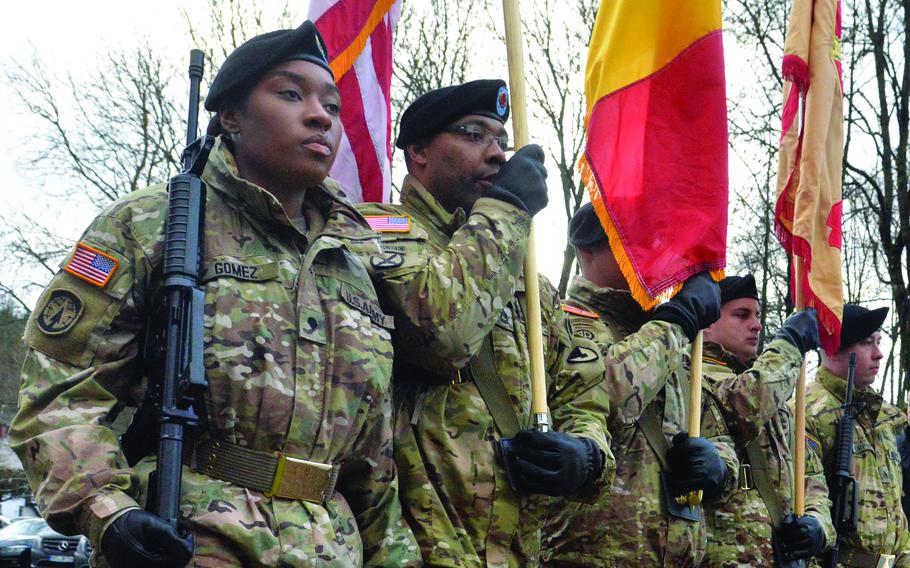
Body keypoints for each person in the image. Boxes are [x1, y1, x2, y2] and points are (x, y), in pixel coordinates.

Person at [10, 22, 420, 567]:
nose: (321, 115)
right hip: (193, 541)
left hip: (330, 549)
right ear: (231, 116)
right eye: (290, 94)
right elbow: (58, 397)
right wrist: (106, 510)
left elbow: (372, 463)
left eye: (333, 105)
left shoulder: (352, 260)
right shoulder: (154, 223)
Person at [350, 81, 615, 566]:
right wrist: (508, 210)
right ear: (419, 150)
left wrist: (585, 455)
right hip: (409, 548)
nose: (497, 155)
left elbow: (582, 394)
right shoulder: (372, 232)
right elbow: (441, 333)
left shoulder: (528, 284)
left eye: (501, 140)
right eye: (474, 135)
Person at [540, 203, 741, 567]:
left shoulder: (673, 340)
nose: (649, 257)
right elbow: (605, 396)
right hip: (593, 554)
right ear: (586, 251)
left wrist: (718, 467)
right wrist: (677, 321)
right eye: (628, 243)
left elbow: (717, 432)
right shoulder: (565, 322)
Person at [699, 275, 833, 565]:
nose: (756, 324)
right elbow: (744, 404)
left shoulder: (778, 397)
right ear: (707, 323)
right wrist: (789, 344)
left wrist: (816, 524)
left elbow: (810, 476)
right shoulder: (691, 379)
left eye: (757, 315)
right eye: (741, 315)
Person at [804, 303, 910, 566]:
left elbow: (896, 508)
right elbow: (800, 512)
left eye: (879, 342)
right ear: (834, 349)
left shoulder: (880, 418)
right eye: (866, 343)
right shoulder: (807, 414)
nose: (879, 354)